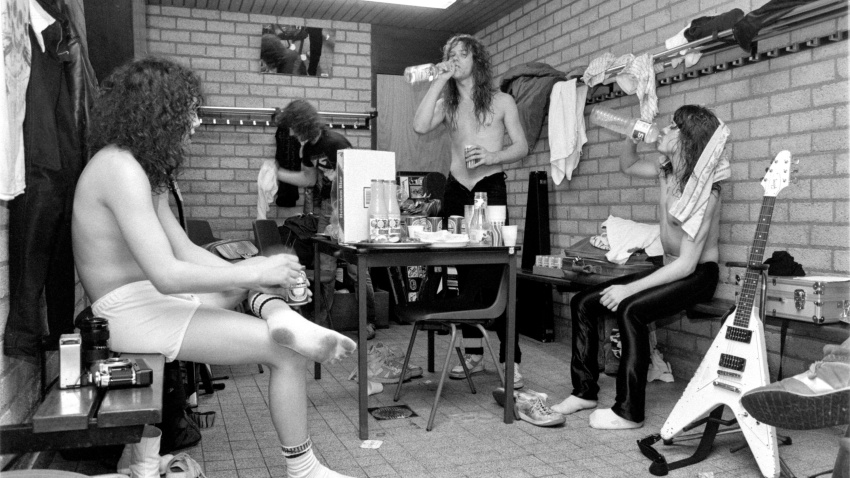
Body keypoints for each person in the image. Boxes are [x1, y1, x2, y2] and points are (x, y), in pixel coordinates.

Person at [72, 57, 355, 478]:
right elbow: (168, 273)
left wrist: (254, 266)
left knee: (242, 273)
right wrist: (256, 272)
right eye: (189, 111)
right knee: (285, 354)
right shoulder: (120, 169)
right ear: (159, 110)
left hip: (148, 298)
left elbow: (184, 249)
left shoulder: (139, 169)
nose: (196, 122)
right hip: (126, 311)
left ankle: (280, 313)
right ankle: (305, 470)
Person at [552, 105, 729, 429]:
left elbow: (687, 265)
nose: (664, 129)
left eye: (673, 127)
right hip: (667, 265)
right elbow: (629, 164)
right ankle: (584, 391)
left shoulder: (706, 191)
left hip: (697, 274)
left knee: (631, 310)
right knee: (583, 303)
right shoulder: (667, 170)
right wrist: (631, 134)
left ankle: (628, 411)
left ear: (689, 140)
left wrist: (629, 288)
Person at [413, 34, 528, 389]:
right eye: (450, 55)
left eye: (462, 54)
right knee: (461, 270)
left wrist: (493, 156)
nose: (456, 59)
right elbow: (419, 126)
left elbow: (522, 146)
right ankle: (475, 353)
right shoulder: (448, 104)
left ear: (477, 60)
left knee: (498, 269)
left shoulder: (502, 100)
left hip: (489, 187)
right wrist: (439, 80)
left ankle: (510, 360)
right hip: (456, 188)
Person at [273, 99, 379, 342]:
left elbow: (357, 176)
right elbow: (309, 180)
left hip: (349, 207)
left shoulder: (335, 142)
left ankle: (369, 321)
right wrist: (278, 173)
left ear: (301, 124)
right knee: (324, 268)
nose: (289, 133)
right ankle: (321, 322)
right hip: (327, 206)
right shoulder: (307, 150)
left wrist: (346, 217)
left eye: (291, 127)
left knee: (355, 268)